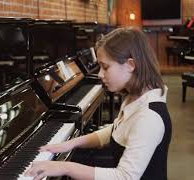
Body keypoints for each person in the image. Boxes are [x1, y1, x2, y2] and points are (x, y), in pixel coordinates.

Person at [25, 27, 172, 180]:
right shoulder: (135, 97)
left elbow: (124, 177)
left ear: (130, 65)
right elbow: (116, 130)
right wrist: (71, 143)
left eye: (105, 67)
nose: (100, 74)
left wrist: (65, 167)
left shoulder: (149, 117)